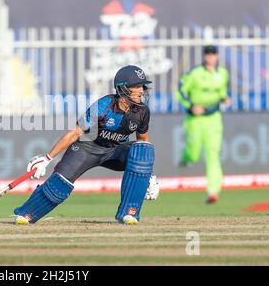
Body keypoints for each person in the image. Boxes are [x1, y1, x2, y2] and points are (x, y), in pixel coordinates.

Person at [13, 65, 159, 225]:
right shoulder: (103, 107)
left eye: (142, 86)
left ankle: (129, 214)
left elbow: (143, 140)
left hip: (116, 151)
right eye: (136, 86)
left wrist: (146, 175)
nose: (141, 90)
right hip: (87, 148)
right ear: (123, 88)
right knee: (60, 185)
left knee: (143, 150)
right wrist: (48, 158)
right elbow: (76, 132)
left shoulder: (142, 111)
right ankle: (27, 213)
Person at [177, 45, 231, 204]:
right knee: (193, 153)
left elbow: (221, 92)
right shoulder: (195, 74)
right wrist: (191, 106)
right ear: (204, 56)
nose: (211, 57)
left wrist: (225, 98)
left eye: (213, 54)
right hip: (195, 120)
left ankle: (213, 191)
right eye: (208, 54)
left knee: (213, 155)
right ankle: (186, 158)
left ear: (217, 56)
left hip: (214, 118)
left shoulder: (223, 74)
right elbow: (180, 91)